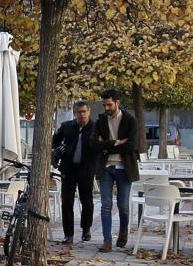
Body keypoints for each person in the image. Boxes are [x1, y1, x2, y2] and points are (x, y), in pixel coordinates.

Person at [95, 88, 142, 253]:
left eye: (109, 105)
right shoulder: (100, 121)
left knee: (123, 205)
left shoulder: (130, 120)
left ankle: (123, 232)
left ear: (117, 103)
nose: (106, 108)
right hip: (106, 168)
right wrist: (116, 143)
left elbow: (132, 145)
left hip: (124, 168)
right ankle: (106, 241)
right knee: (106, 205)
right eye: (104, 105)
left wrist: (106, 145)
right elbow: (94, 144)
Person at [51, 101, 98, 245]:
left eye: (84, 112)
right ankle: (68, 234)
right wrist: (59, 150)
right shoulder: (67, 126)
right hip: (68, 169)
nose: (81, 115)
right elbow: (55, 142)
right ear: (74, 113)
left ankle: (86, 229)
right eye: (78, 112)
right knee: (67, 202)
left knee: (87, 201)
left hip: (86, 169)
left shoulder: (95, 127)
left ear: (89, 112)